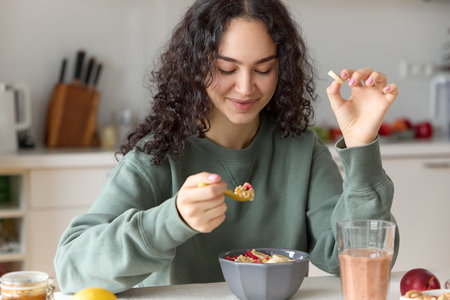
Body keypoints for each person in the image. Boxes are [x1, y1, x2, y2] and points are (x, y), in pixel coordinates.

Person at [54, 0, 400, 294]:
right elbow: (72, 269)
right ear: (195, 65)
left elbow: (352, 257)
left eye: (263, 69)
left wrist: (361, 144)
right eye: (226, 68)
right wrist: (172, 219)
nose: (246, 87)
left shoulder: (301, 149)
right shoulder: (157, 156)